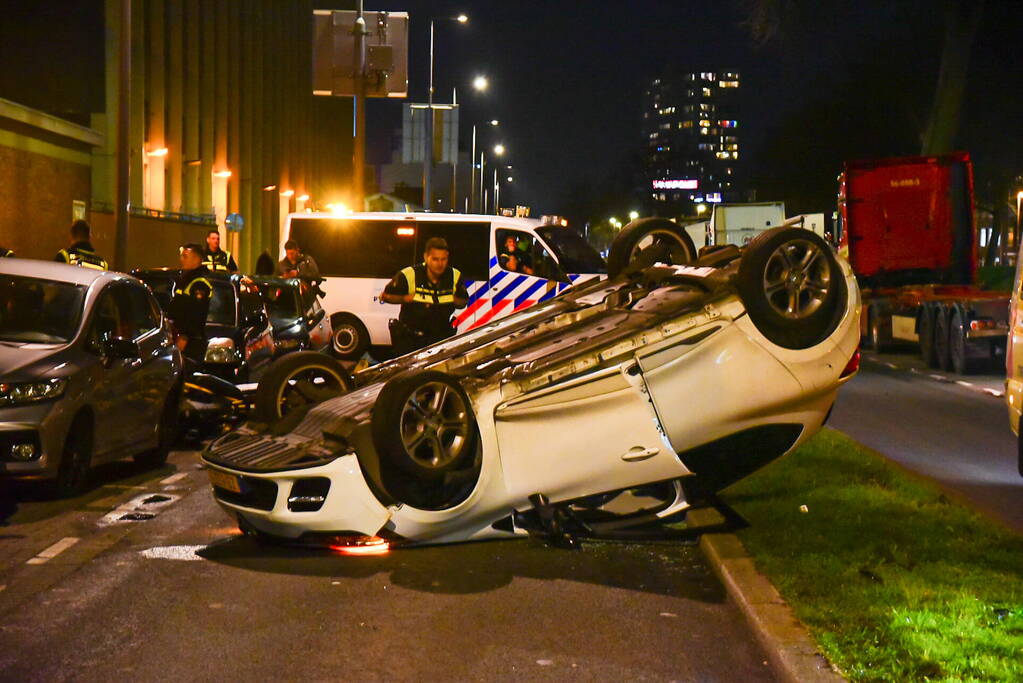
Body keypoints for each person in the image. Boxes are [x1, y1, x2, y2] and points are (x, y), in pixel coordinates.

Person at [380, 237, 468, 355]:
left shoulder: (454, 275)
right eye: (435, 259)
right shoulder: (409, 274)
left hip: (440, 339)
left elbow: (463, 301)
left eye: (443, 259)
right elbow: (385, 296)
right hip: (411, 341)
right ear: (426, 257)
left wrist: (454, 300)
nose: (440, 264)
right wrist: (404, 298)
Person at [167, 243, 213, 365]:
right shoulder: (186, 280)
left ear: (197, 259)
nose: (181, 260)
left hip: (191, 343)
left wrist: (184, 337)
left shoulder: (200, 284)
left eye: (185, 256)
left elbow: (196, 315)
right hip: (179, 337)